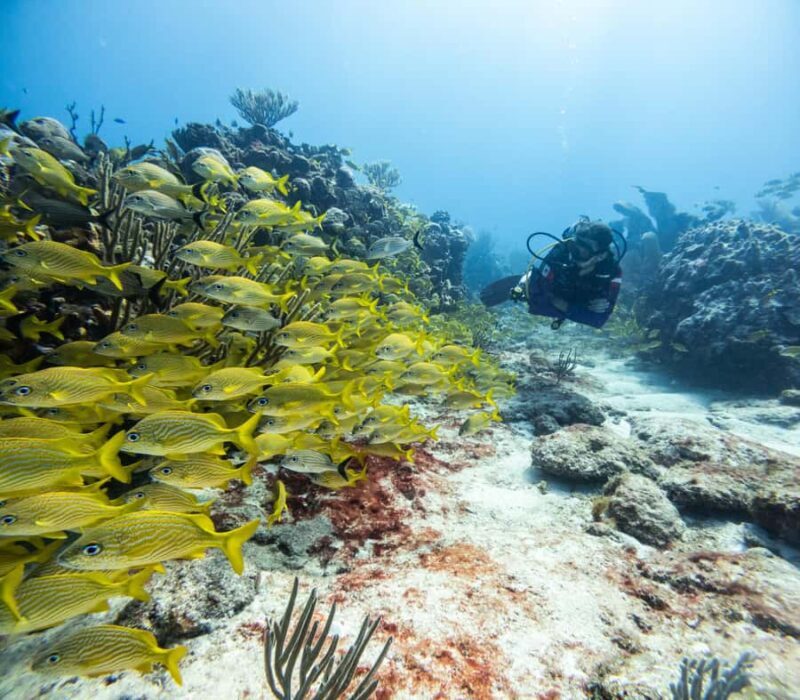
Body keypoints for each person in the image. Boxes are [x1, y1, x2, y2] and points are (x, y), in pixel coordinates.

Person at [514, 218, 622, 329]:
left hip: (570, 299)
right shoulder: (560, 254)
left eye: (582, 252)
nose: (572, 255)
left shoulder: (611, 272)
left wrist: (563, 305)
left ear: (600, 256)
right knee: (533, 290)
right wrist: (578, 310)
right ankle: (525, 278)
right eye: (573, 247)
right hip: (562, 296)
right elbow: (538, 303)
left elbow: (598, 320)